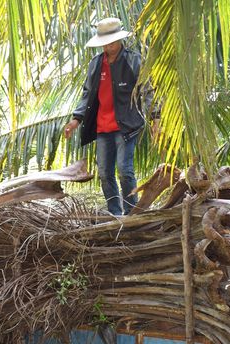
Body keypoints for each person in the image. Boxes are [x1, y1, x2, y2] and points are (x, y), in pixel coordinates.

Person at [64, 17, 159, 216]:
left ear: (120, 39)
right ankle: (115, 214)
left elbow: (147, 90)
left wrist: (155, 118)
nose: (110, 45)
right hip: (102, 127)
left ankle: (132, 213)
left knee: (125, 170)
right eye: (106, 42)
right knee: (105, 174)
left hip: (127, 125)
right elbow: (87, 93)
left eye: (113, 41)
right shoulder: (96, 64)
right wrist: (76, 120)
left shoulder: (134, 60)